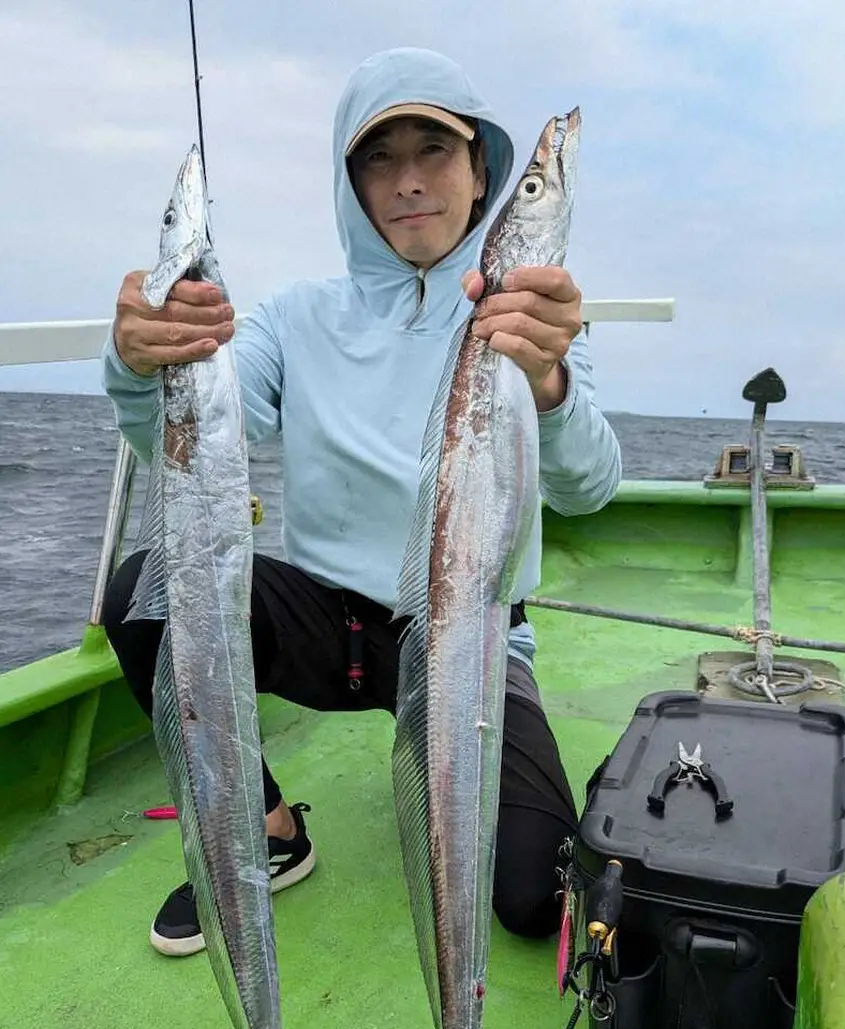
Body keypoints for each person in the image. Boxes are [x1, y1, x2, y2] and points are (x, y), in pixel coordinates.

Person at [101, 47, 621, 957]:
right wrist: (140, 364)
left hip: (476, 633)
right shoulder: (295, 316)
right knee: (146, 590)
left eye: (435, 150)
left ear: (481, 170)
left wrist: (549, 383)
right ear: (350, 182)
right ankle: (267, 833)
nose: (410, 180)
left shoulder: (531, 312)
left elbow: (590, 490)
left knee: (534, 898)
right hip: (330, 623)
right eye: (379, 157)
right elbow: (179, 448)